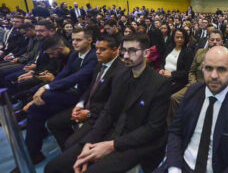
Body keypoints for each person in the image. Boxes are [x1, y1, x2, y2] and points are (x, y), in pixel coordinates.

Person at [45, 33, 172, 173]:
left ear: (146, 53)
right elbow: (108, 111)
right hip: (110, 133)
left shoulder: (160, 84)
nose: (126, 56)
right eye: (124, 51)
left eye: (132, 51)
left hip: (134, 143)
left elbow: (153, 128)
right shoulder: (120, 75)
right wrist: (89, 141)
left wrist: (111, 145)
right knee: (54, 167)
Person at [155, 46, 228, 172]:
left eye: (221, 69)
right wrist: (174, 167)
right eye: (209, 68)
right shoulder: (192, 92)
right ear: (203, 67)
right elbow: (176, 132)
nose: (214, 75)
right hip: (180, 165)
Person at [11, 28, 98, 172]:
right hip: (68, 92)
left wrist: (47, 88)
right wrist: (46, 86)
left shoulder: (94, 56)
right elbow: (64, 74)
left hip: (82, 96)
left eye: (79, 40)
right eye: (73, 39)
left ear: (89, 40)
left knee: (42, 99)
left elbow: (77, 77)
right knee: (36, 110)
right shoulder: (75, 55)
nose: (74, 43)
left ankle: (35, 149)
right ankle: (33, 153)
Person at [47, 36, 125, 151]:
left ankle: (72, 152)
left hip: (98, 115)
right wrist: (79, 105)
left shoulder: (121, 71)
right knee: (53, 123)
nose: (97, 52)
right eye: (97, 48)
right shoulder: (100, 64)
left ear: (115, 50)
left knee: (70, 145)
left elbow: (112, 104)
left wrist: (88, 114)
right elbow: (90, 88)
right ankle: (70, 154)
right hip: (87, 107)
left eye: (102, 49)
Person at [167, 29, 224, 126]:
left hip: (213, 87)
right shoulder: (200, 52)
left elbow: (225, 78)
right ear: (208, 41)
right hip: (195, 83)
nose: (214, 42)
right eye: (212, 40)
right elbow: (192, 71)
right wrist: (194, 84)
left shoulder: (226, 56)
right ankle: (173, 127)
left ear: (222, 42)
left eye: (218, 40)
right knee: (174, 98)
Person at [159, 28, 194, 94]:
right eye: (177, 37)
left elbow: (187, 72)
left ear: (185, 38)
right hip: (163, 76)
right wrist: (161, 69)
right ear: (173, 38)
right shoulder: (169, 48)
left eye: (182, 37)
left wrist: (171, 74)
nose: (179, 39)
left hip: (177, 80)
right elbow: (163, 62)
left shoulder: (188, 52)